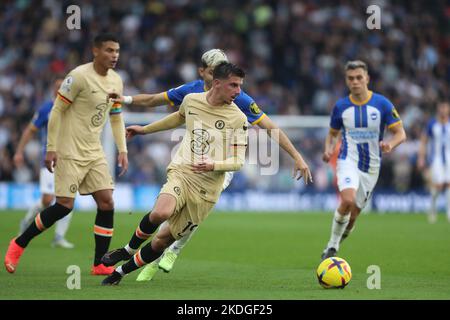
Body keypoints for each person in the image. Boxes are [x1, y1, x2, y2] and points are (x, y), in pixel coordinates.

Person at [109, 49, 312, 281]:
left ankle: (172, 250)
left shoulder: (239, 100)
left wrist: (296, 155)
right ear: (205, 73)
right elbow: (157, 101)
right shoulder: (191, 92)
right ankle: (138, 251)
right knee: (162, 213)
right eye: (215, 68)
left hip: (220, 167)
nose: (235, 87)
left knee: (171, 229)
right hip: (187, 166)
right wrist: (126, 102)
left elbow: (270, 127)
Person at [100, 62, 249, 285]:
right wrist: (145, 129)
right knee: (161, 212)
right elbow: (178, 118)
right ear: (217, 83)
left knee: (161, 241)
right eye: (234, 85)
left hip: (207, 191)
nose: (238, 91)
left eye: (240, 86)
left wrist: (213, 165)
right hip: (183, 171)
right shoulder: (192, 100)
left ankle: (120, 273)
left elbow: (238, 161)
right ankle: (128, 249)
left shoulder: (238, 119)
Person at [4, 33, 128, 276]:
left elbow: (116, 116)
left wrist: (122, 149)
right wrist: (51, 148)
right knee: (63, 206)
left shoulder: (116, 81)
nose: (114, 55)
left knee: (107, 201)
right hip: (69, 150)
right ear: (95, 51)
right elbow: (58, 111)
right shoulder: (78, 76)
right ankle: (19, 243)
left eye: (117, 51)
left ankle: (99, 263)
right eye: (109, 50)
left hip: (94, 151)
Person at [321, 60, 406, 260]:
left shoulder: (382, 104)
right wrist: (328, 149)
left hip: (371, 167)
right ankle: (331, 247)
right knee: (347, 200)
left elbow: (401, 133)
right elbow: (332, 134)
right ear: (346, 80)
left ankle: (335, 244)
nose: (355, 82)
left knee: (352, 218)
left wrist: (390, 145)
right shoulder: (341, 106)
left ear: (367, 78)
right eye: (351, 78)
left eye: (359, 77)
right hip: (347, 160)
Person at [14, 78, 75, 249]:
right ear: (53, 90)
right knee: (47, 200)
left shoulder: (73, 108)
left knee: (68, 198)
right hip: (50, 160)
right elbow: (30, 130)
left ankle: (59, 237)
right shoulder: (47, 109)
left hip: (71, 160)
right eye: (57, 87)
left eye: (63, 87)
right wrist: (19, 151)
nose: (60, 90)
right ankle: (25, 224)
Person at [417, 101, 450, 223]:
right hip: (436, 160)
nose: (443, 110)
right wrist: (421, 158)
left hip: (449, 159)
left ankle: (448, 212)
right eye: (441, 107)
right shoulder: (432, 124)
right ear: (438, 109)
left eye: (445, 107)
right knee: (438, 185)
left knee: (448, 185)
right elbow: (424, 141)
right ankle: (432, 209)